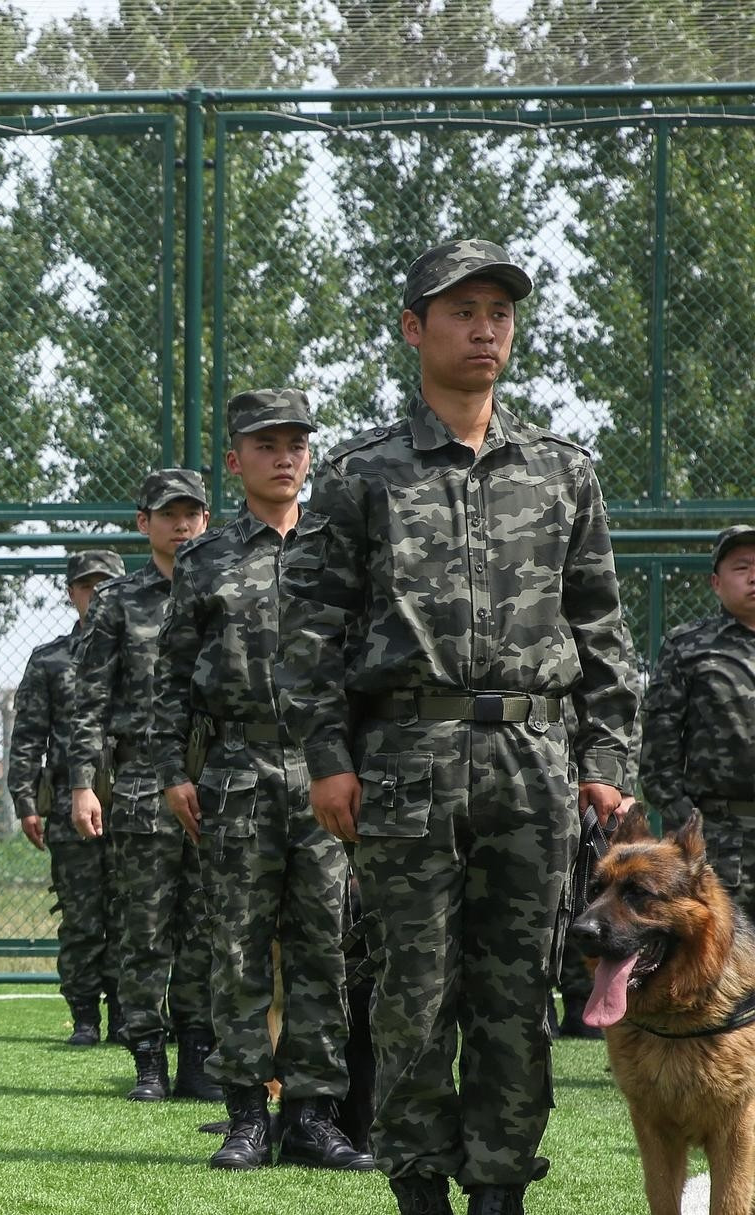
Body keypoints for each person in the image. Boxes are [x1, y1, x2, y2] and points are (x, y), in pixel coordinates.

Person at [282, 241, 640, 1215]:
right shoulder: (361, 475)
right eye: (462, 312)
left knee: (516, 994)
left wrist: (606, 759)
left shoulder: (562, 472)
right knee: (412, 990)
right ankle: (419, 1190)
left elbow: (601, 629)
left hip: (534, 763)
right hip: (406, 760)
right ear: (414, 328)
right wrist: (327, 760)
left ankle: (499, 1190)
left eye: (500, 313)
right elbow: (309, 634)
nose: (485, 330)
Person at [149, 390, 371, 1172]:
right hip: (237, 769)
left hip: (323, 770)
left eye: (296, 444)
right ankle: (246, 1112)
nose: (284, 458)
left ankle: (312, 1113)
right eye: (266, 445)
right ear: (235, 459)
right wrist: (173, 771)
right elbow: (172, 675)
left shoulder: (340, 549)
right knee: (238, 946)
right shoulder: (204, 558)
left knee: (324, 946)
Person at [67, 470, 219, 1104]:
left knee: (206, 928)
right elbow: (88, 701)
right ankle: (148, 1058)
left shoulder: (224, 589)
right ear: (143, 523)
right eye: (168, 514)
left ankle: (199, 1056)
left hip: (216, 778)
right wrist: (82, 783)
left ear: (207, 520)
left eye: (192, 514)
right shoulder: (118, 602)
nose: (182, 525)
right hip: (140, 783)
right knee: (145, 929)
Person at [7, 547, 124, 1046]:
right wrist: (25, 801)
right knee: (81, 916)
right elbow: (28, 736)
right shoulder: (51, 659)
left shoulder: (144, 650)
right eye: (87, 586)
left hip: (136, 799)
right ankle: (84, 1015)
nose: (97, 595)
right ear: (72, 592)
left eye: (107, 586)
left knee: (135, 915)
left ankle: (129, 1014)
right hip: (69, 805)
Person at [641, 524, 755, 903]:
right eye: (742, 567)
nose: (753, 576)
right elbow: (658, 756)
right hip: (721, 843)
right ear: (716, 583)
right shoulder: (688, 647)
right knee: (722, 941)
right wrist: (691, 828)